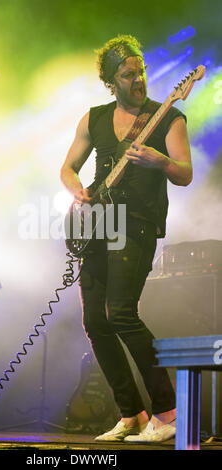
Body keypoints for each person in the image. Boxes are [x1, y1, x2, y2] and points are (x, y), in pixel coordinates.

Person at [60, 34, 192, 442]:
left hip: (135, 224)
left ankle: (169, 413)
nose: (138, 80)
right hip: (97, 224)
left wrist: (159, 159)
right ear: (110, 82)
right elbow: (67, 168)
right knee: (94, 322)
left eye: (141, 72)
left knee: (120, 313)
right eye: (127, 74)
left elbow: (185, 173)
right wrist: (77, 190)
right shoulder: (94, 118)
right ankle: (130, 413)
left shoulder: (168, 116)